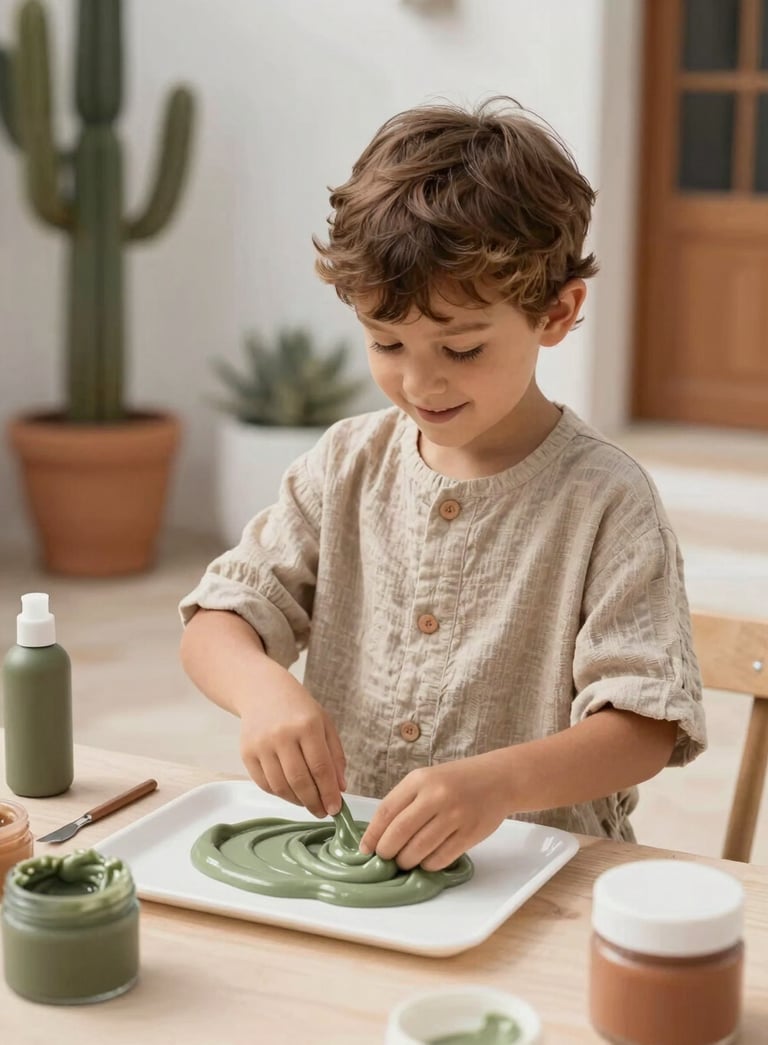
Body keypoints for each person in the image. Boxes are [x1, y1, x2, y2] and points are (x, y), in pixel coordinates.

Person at [179, 97, 705, 873]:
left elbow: (644, 726)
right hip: (350, 868)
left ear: (557, 313)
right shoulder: (346, 462)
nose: (420, 381)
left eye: (461, 347)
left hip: (539, 875)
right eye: (386, 342)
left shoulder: (606, 500)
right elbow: (216, 622)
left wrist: (498, 784)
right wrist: (262, 689)